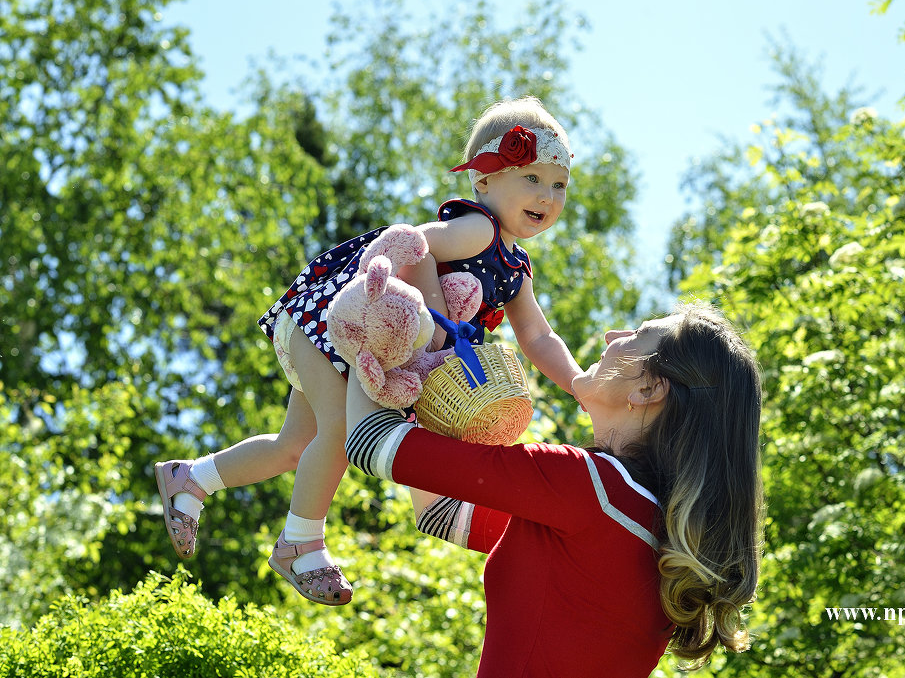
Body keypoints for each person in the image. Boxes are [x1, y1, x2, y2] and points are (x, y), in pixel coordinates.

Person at [154, 97, 583, 606]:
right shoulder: (479, 229)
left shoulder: (515, 267)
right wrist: (425, 319)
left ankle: (191, 478)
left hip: (350, 345)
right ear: (484, 180)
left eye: (558, 185)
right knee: (341, 431)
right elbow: (410, 245)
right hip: (338, 323)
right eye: (531, 178)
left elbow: (537, 337)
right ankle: (300, 544)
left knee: (295, 446)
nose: (548, 197)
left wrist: (578, 381)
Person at [345, 302, 764, 677]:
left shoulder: (588, 486)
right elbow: (443, 515)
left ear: (649, 389)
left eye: (636, 335)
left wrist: (362, 329)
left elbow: (369, 442)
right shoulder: (662, 537)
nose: (611, 336)